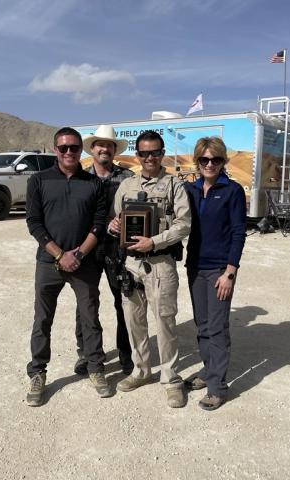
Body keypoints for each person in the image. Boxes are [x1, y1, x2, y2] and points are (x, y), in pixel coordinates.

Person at [25, 126, 110, 407]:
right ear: (55, 150)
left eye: (74, 147)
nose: (69, 152)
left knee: (90, 317)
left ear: (80, 150)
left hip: (84, 263)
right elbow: (34, 223)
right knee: (42, 320)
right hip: (49, 262)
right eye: (64, 148)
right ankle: (38, 373)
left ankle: (96, 367)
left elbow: (99, 224)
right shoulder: (38, 180)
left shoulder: (93, 183)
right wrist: (61, 254)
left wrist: (79, 254)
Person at [108, 130, 191, 408]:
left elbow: (184, 224)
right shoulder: (127, 186)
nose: (149, 158)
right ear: (137, 155)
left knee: (165, 320)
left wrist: (153, 241)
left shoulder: (174, 186)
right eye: (144, 153)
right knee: (135, 320)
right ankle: (141, 370)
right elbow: (117, 218)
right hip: (131, 263)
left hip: (160, 263)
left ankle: (170, 378)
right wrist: (113, 226)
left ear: (162, 153)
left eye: (155, 152)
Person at [183, 136, 247, 411]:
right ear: (197, 161)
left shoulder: (232, 191)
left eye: (216, 160)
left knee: (218, 328)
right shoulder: (190, 190)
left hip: (220, 269)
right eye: (204, 159)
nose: (210, 164)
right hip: (195, 267)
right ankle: (209, 371)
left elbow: (238, 233)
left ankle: (218, 387)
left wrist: (230, 271)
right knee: (202, 325)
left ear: (223, 162)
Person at [73, 125, 135, 376]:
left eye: (109, 145)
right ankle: (86, 353)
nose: (104, 148)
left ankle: (126, 352)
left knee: (124, 301)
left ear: (113, 149)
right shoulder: (80, 178)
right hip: (87, 247)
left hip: (117, 249)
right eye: (100, 144)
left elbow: (134, 211)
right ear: (93, 148)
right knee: (85, 302)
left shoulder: (127, 177)